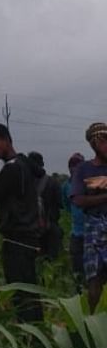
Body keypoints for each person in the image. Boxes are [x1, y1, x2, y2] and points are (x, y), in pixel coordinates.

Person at [0, 123, 43, 323]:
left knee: (20, 293)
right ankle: (37, 334)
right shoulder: (23, 164)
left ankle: (29, 338)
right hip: (29, 237)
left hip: (16, 239)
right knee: (29, 290)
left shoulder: (12, 169)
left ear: (7, 140)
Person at [69, 124, 107, 310]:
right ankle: (94, 325)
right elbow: (78, 200)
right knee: (94, 281)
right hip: (94, 229)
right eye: (103, 142)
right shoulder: (83, 170)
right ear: (95, 144)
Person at [27, 151, 63, 261]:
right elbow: (61, 204)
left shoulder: (25, 183)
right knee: (53, 262)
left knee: (34, 263)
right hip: (51, 227)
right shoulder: (53, 182)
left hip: (30, 230)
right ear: (42, 164)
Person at [62, 152, 86, 287]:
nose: (74, 169)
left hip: (93, 232)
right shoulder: (66, 186)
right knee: (77, 266)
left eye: (78, 165)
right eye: (72, 166)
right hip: (76, 233)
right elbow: (66, 205)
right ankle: (80, 292)